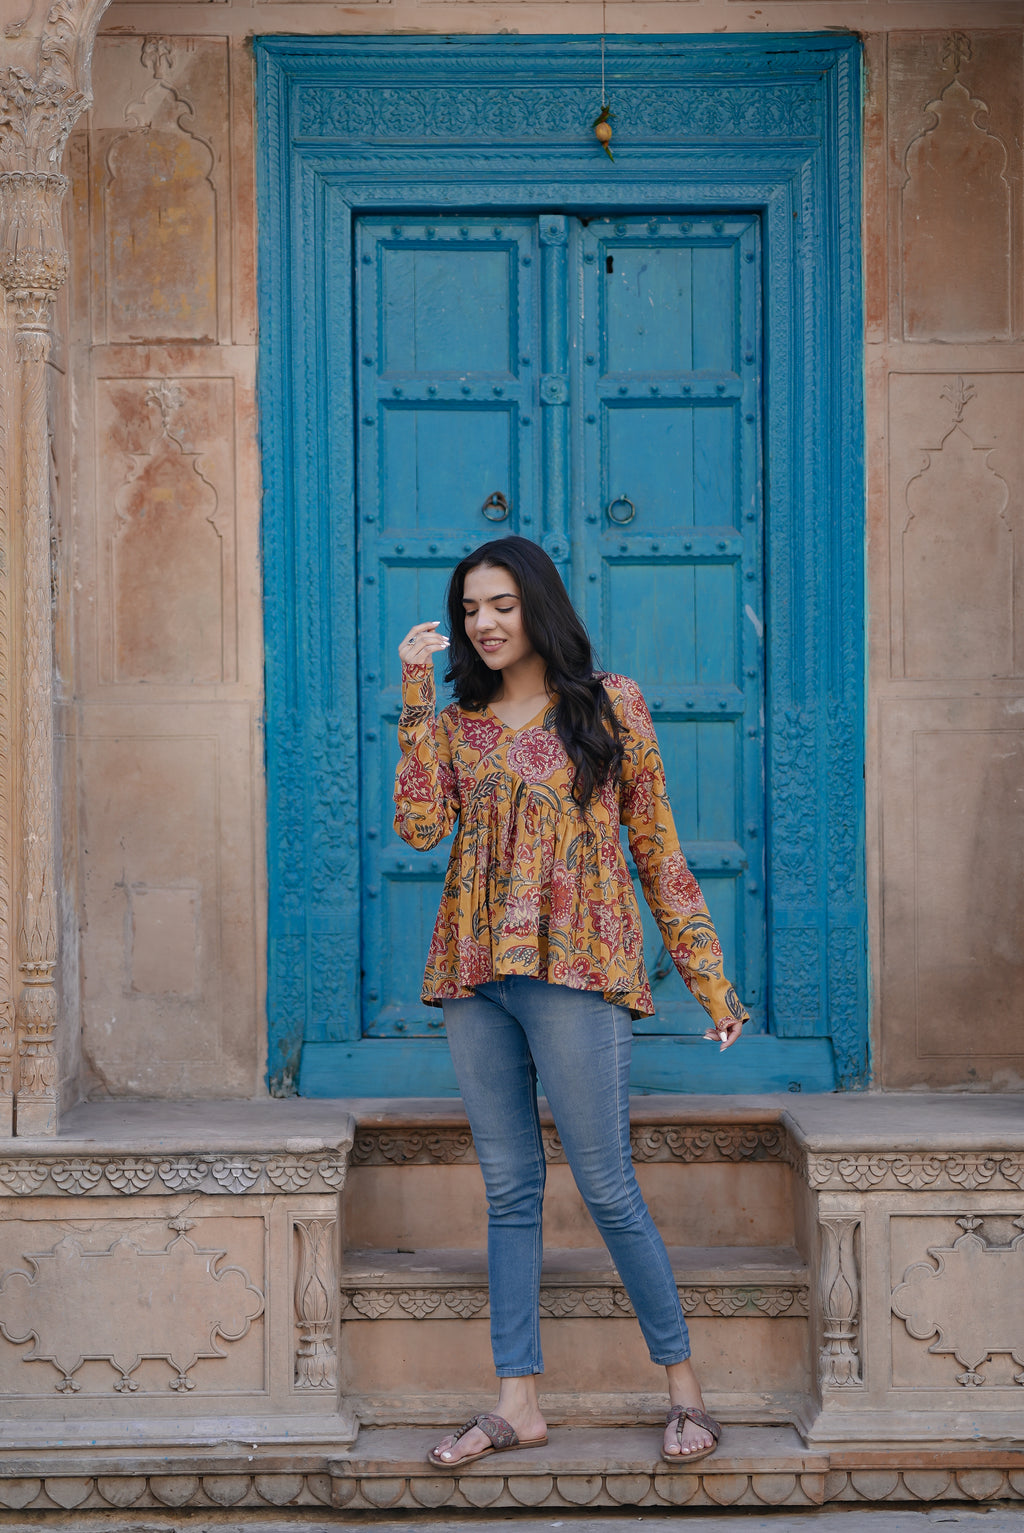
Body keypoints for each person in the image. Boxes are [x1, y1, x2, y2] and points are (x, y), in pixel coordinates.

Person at [393, 535, 748, 1470]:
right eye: (471, 609)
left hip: (581, 969)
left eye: (501, 604)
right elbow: (420, 826)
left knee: (607, 1186)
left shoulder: (609, 705)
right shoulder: (461, 722)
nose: (484, 623)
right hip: (476, 975)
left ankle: (685, 1390)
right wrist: (416, 693)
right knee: (509, 1189)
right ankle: (518, 1402)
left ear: (537, 604)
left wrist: (709, 980)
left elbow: (658, 851)